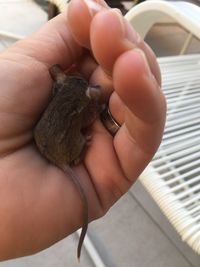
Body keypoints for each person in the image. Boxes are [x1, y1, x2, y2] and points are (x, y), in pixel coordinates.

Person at [0, 0, 166, 260]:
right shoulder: (85, 110)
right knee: (77, 142)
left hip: (41, 136)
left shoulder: (60, 87)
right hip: (64, 151)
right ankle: (74, 155)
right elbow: (89, 112)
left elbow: (60, 78)